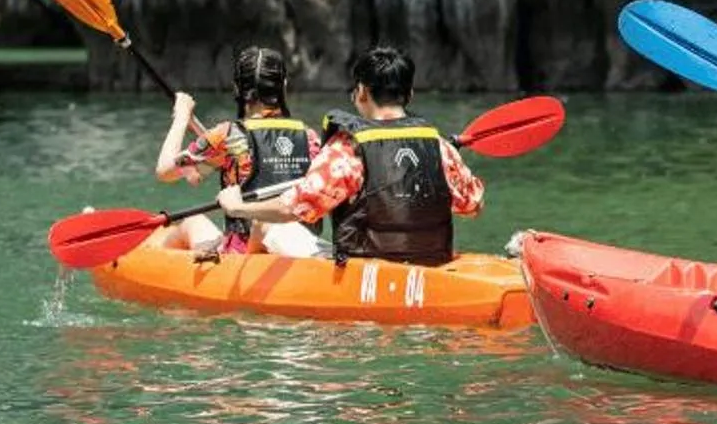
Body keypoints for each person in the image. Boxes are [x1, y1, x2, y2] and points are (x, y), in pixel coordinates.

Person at [219, 45, 485, 264]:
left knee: (269, 226)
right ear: (410, 95)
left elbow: (295, 207)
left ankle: (239, 273)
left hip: (364, 272)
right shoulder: (440, 148)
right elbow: (473, 205)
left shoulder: (346, 151)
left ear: (362, 93)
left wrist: (237, 207)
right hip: (432, 263)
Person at [153, 47, 322, 257]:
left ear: (237, 89)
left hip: (244, 253)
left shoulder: (227, 135)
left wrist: (181, 117)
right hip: (297, 247)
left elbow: (165, 171)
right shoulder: (310, 138)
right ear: (283, 86)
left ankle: (155, 266)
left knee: (192, 222)